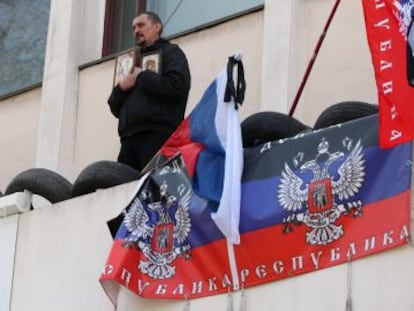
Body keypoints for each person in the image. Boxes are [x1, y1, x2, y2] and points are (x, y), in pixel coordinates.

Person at [108, 12, 191, 171]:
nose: (136, 31)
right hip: (128, 140)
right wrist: (122, 88)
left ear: (157, 27)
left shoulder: (171, 52)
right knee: (125, 190)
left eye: (141, 25)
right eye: (133, 27)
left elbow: (176, 87)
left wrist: (142, 76)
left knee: (156, 189)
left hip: (158, 136)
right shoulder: (131, 61)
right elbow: (114, 106)